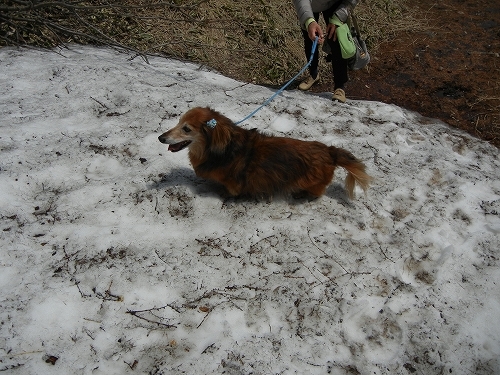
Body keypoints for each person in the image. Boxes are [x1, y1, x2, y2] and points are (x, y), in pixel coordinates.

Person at [293, 0, 358, 103]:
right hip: (310, 4)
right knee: (310, 38)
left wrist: (339, 16)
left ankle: (339, 87)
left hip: (335, 4)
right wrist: (309, 21)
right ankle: (314, 74)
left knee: (337, 38)